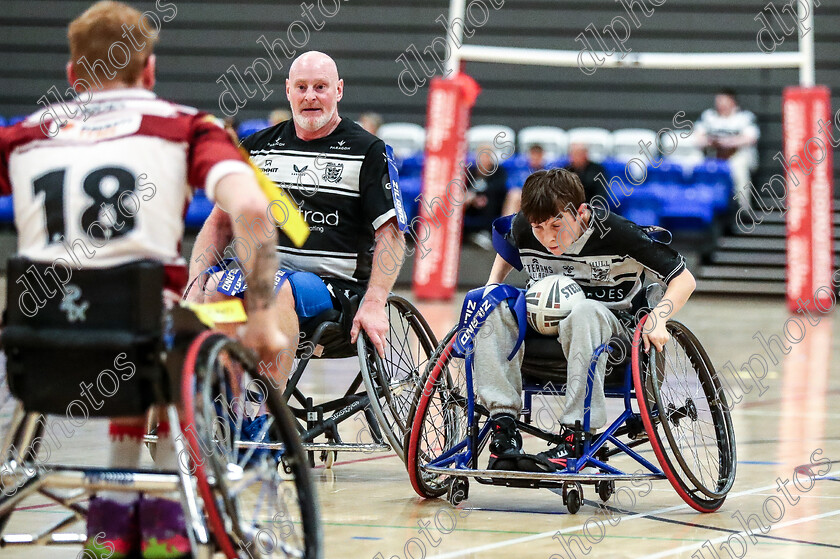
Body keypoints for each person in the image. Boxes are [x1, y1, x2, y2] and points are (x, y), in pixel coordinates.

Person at [0, 2, 287, 558]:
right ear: (149, 69)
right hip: (145, 342)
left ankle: (106, 536)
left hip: (39, 348)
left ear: (71, 74)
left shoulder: (25, 135)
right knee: (181, 344)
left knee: (140, 355)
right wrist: (260, 318)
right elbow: (253, 211)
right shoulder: (185, 127)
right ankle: (165, 534)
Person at [189, 51, 404, 387]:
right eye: (301, 87)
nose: (310, 96)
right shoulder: (257, 148)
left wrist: (375, 301)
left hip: (335, 290)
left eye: (321, 87)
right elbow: (219, 223)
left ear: (339, 91)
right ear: (288, 90)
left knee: (279, 287)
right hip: (260, 276)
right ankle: (233, 403)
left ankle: (263, 412)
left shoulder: (368, 151)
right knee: (217, 287)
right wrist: (194, 282)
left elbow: (391, 235)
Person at [475, 168, 695, 471]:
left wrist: (659, 317)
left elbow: (684, 279)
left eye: (557, 225)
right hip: (541, 336)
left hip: (613, 336)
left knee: (584, 311)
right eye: (540, 227)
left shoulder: (616, 233)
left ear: (580, 213)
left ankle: (577, 432)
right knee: (492, 304)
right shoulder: (526, 227)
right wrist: (491, 289)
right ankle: (502, 425)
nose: (549, 237)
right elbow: (507, 250)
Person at [695, 88, 759, 211]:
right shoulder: (709, 116)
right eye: (719, 101)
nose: (721, 105)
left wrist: (729, 142)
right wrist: (710, 141)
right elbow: (698, 137)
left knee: (739, 169)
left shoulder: (744, 117)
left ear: (733, 102)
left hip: (737, 155)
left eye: (724, 101)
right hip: (714, 155)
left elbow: (751, 138)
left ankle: (743, 209)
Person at [463, 146, 508, 249]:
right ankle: (459, 233)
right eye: (482, 155)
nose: (484, 158)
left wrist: (478, 195)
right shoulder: (470, 171)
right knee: (461, 199)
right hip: (472, 205)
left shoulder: (498, 171)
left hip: (494, 203)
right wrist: (473, 198)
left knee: (488, 199)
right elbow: (463, 187)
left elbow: (498, 188)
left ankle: (485, 233)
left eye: (487, 155)